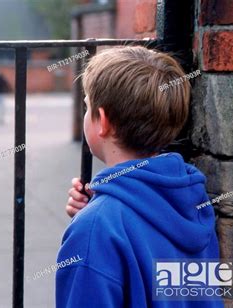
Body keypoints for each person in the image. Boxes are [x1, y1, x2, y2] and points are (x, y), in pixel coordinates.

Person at [58, 47, 221, 307]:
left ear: (102, 121)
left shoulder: (95, 229)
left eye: (87, 107)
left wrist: (94, 222)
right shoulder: (192, 202)